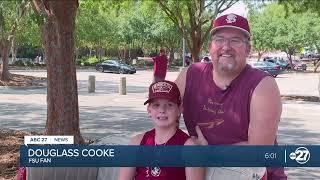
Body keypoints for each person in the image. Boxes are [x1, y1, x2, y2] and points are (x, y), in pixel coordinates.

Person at [175, 13, 287, 179]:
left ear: (248, 49)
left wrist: (209, 153)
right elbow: (165, 117)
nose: (226, 47)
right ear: (210, 46)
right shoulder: (190, 75)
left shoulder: (262, 85)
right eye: (219, 39)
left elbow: (258, 151)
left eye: (235, 40)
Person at [119, 80, 204, 180]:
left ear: (180, 109)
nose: (162, 110)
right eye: (156, 105)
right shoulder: (137, 142)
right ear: (149, 109)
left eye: (169, 105)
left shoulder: (189, 148)